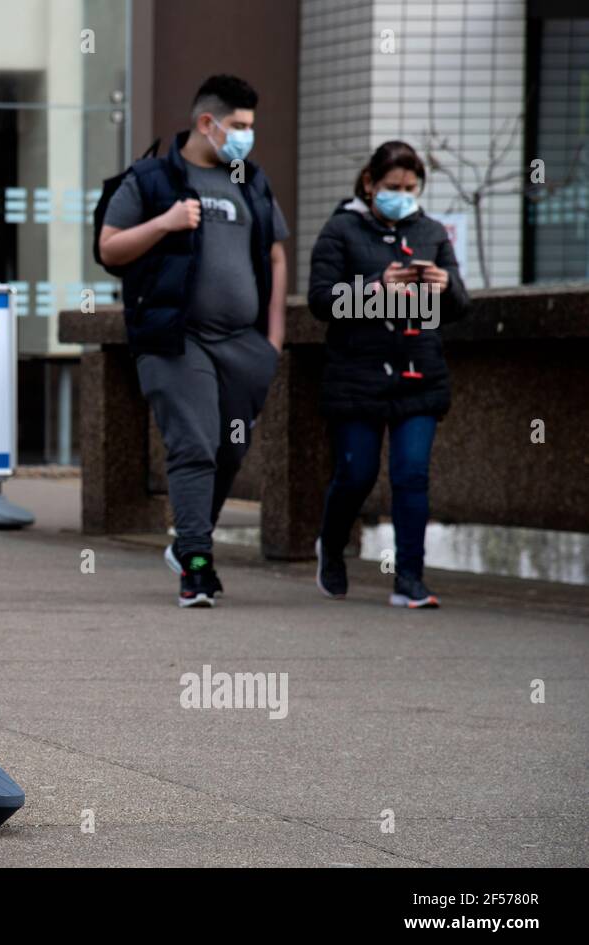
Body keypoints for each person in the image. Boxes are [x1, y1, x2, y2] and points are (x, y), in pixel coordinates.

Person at [98, 75, 288, 608]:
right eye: (241, 126)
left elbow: (274, 254)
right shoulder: (153, 179)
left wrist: (272, 339)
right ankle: (198, 566)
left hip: (242, 346)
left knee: (230, 449)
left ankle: (188, 543)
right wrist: (166, 222)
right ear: (208, 123)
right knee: (194, 446)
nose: (249, 136)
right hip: (175, 341)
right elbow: (110, 249)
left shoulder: (249, 180)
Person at [307, 141, 469, 608]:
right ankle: (331, 549)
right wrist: (375, 287)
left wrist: (444, 285)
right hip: (356, 374)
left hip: (419, 372)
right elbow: (322, 301)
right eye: (392, 187)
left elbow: (460, 307)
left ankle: (410, 580)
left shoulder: (431, 232)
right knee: (356, 474)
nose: (401, 194)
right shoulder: (341, 230)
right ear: (369, 184)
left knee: (411, 475)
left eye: (410, 187)